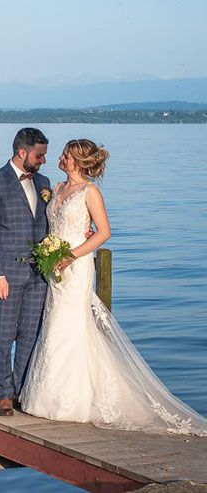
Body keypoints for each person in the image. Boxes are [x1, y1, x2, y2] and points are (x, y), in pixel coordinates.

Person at [19, 139, 207, 435]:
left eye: (66, 154)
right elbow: (53, 226)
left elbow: (104, 232)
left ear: (78, 162)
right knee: (54, 324)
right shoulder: (55, 189)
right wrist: (49, 252)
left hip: (75, 266)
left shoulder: (90, 192)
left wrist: (70, 255)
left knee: (71, 324)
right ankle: (46, 397)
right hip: (54, 267)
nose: (61, 157)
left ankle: (73, 401)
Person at [0, 128, 51, 416]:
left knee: (30, 335)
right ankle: (3, 395)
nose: (43, 160)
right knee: (4, 336)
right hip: (6, 273)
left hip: (38, 275)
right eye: (39, 155)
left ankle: (22, 391)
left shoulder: (44, 183)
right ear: (23, 153)